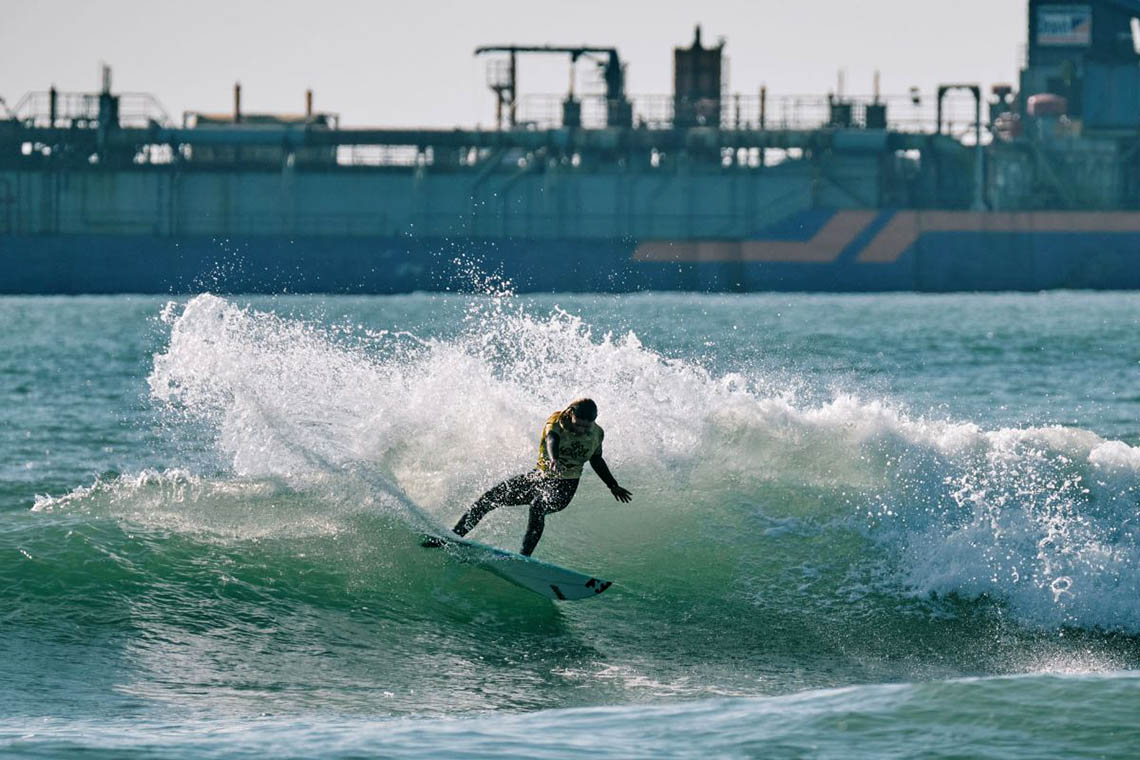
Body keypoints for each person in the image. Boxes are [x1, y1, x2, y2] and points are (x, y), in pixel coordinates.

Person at [428, 398, 632, 556]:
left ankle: (524, 558)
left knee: (538, 506)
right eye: (579, 424)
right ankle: (452, 538)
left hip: (565, 487)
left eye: (587, 426)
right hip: (540, 477)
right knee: (489, 498)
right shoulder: (556, 421)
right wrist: (553, 459)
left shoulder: (596, 434)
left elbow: (596, 460)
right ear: (570, 413)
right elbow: (552, 438)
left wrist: (612, 485)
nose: (582, 429)